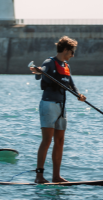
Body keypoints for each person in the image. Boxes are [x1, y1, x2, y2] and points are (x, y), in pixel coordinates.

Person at [29, 36, 87, 184]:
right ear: (66, 50)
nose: (73, 55)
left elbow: (72, 84)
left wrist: (79, 95)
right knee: (47, 140)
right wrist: (38, 71)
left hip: (62, 106)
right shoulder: (49, 62)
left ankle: (56, 176)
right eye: (72, 52)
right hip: (48, 105)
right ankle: (39, 176)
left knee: (60, 141)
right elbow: (41, 71)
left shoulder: (66, 66)